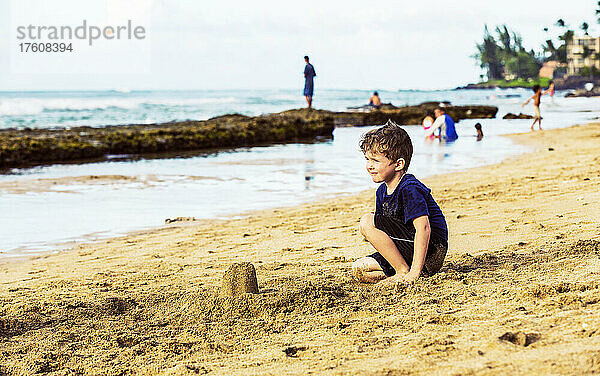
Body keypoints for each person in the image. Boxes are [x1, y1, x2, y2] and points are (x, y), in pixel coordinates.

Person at [351, 120, 448, 286]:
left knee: (367, 221)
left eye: (375, 160)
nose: (369, 166)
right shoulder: (381, 192)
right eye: (367, 159)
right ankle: (402, 271)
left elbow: (423, 228)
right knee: (360, 268)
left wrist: (415, 272)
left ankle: (403, 271)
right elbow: (388, 231)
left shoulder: (409, 188)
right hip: (407, 248)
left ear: (399, 164)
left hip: (431, 250)